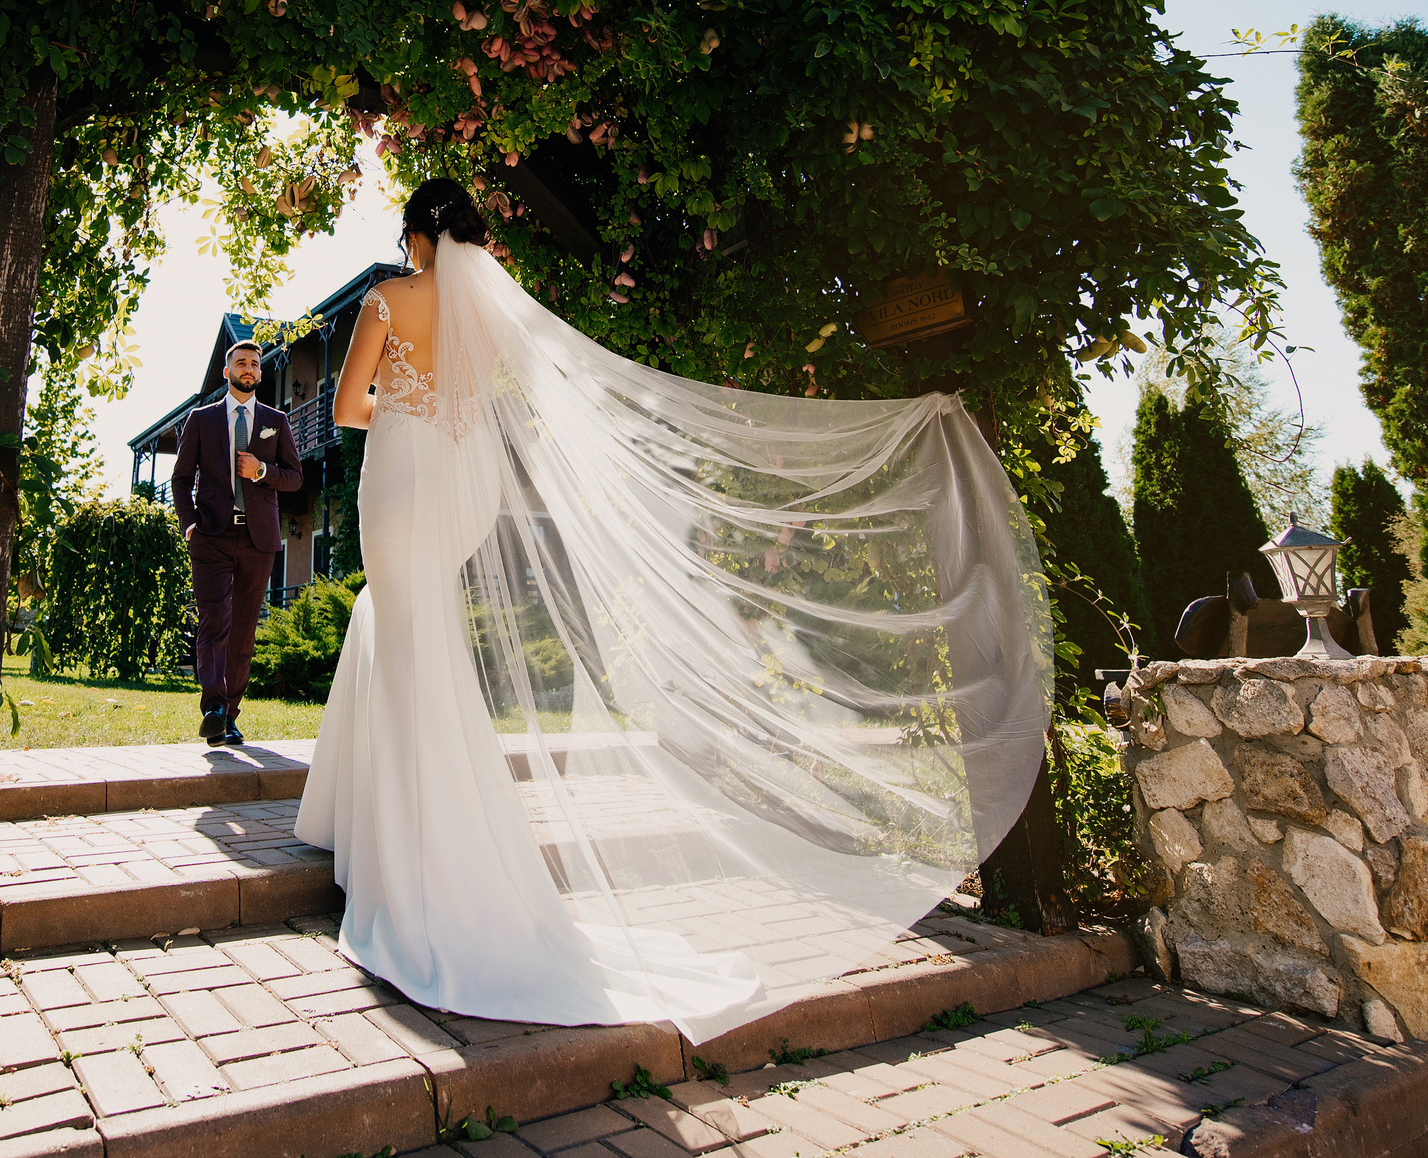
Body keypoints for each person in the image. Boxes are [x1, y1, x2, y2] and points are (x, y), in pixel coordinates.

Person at [296, 179, 1049, 1044]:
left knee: (404, 631)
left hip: (401, 478)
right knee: (412, 633)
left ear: (417, 234)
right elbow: (494, 403)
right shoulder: (490, 315)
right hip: (464, 488)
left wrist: (403, 401)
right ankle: (396, 828)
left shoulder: (389, 298)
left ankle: (405, 851)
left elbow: (348, 406)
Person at [167, 340, 303, 747]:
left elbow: (295, 478)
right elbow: (180, 479)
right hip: (211, 536)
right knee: (214, 621)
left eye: (255, 364)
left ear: (260, 373)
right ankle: (213, 708)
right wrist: (189, 525)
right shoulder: (201, 419)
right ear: (227, 372)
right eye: (241, 363)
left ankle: (229, 715)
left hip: (259, 538)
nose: (249, 368)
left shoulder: (276, 420)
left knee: (243, 631)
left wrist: (261, 470)